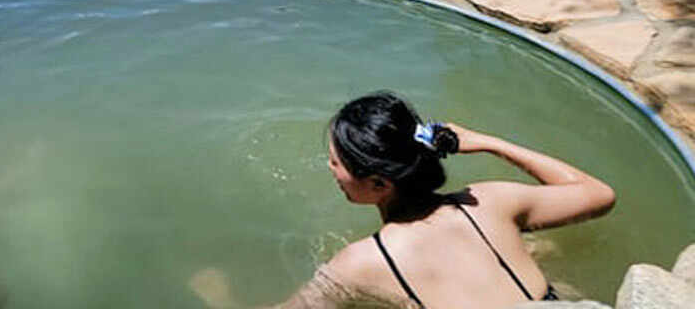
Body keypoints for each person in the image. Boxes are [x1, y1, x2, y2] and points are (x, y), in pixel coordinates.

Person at [191, 91, 616, 309]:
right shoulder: (489, 201)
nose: (330, 169)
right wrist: (489, 143)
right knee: (539, 250)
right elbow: (599, 195)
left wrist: (219, 296)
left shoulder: (360, 263)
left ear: (379, 185)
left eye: (337, 163)